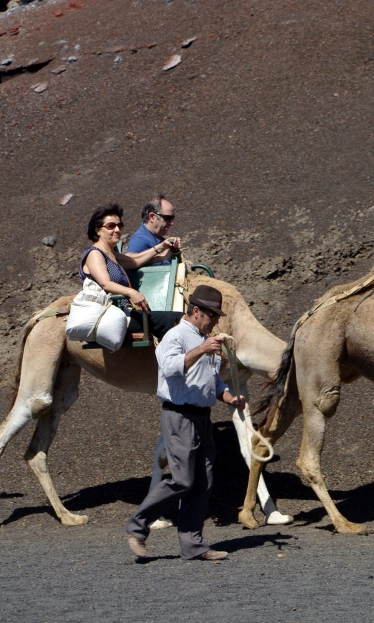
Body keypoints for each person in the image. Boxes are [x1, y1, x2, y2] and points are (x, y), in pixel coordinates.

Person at [125, 285, 242, 561]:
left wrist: (229, 397)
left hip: (203, 419)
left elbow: (213, 380)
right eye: (212, 315)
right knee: (182, 480)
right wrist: (202, 349)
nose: (216, 321)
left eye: (218, 316)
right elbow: (169, 368)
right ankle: (137, 527)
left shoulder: (206, 340)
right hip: (179, 416)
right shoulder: (175, 336)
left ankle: (193, 546)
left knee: (203, 482)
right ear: (196, 311)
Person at [80, 204, 182, 341]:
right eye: (111, 226)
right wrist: (131, 292)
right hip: (110, 315)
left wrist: (162, 248)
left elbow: (135, 261)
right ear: (98, 230)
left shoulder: (112, 254)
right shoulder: (95, 253)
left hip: (123, 312)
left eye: (119, 225)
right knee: (174, 319)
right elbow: (105, 284)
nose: (117, 229)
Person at [125, 194, 180, 265]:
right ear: (152, 217)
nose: (171, 223)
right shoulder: (140, 239)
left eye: (172, 218)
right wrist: (160, 251)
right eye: (168, 218)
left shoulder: (157, 238)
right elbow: (128, 261)